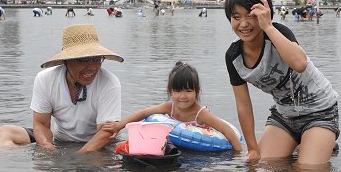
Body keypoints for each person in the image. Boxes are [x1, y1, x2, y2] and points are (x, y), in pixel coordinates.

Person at [224, 0, 339, 165]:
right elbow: (243, 104)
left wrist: (268, 26)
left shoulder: (278, 33)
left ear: (265, 13)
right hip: (284, 117)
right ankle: (306, 142)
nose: (244, 24)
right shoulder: (234, 57)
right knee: (263, 164)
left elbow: (299, 64)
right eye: (236, 17)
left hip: (320, 111)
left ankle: (320, 139)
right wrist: (253, 148)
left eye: (251, 15)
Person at [0, 24, 124, 153]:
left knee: (97, 163)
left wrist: (79, 157)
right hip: (60, 140)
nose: (92, 67)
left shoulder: (109, 83)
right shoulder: (46, 79)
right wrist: (49, 150)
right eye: (83, 60)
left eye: (97, 60)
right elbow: (41, 124)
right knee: (3, 133)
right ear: (66, 61)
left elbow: (106, 133)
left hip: (98, 144)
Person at [102, 62, 243, 152]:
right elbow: (144, 112)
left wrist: (239, 153)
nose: (183, 96)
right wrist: (119, 125)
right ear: (170, 92)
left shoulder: (201, 113)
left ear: (197, 91)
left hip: (199, 150)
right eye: (177, 91)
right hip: (177, 145)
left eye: (188, 91)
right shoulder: (168, 106)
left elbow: (226, 130)